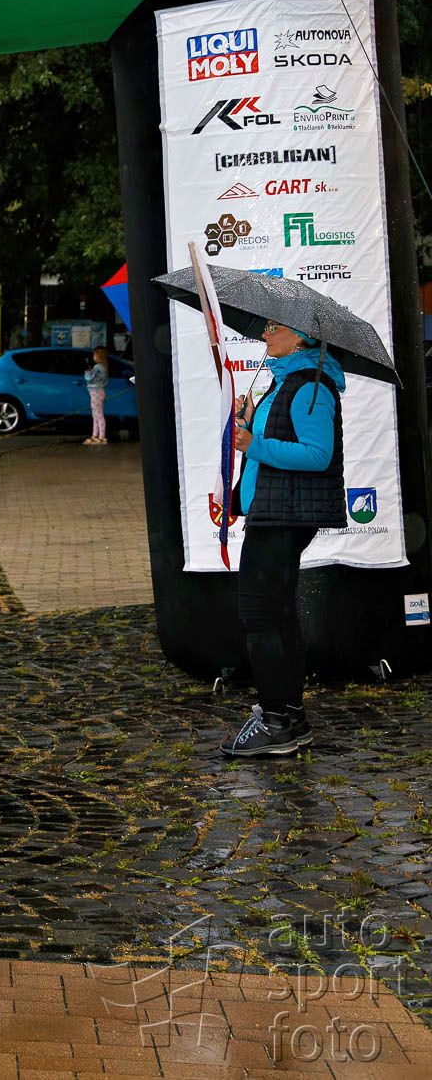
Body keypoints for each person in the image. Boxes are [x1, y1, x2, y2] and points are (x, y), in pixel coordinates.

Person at [221, 319, 346, 758]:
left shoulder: (311, 386)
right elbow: (276, 442)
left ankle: (276, 722)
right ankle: (289, 716)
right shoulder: (287, 382)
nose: (264, 335)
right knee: (276, 615)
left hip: (285, 516)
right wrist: (249, 423)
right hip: (275, 512)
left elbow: (317, 455)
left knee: (261, 617)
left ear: (301, 338)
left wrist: (252, 444)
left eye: (274, 328)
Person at [83, 345, 110, 446]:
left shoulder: (98, 367)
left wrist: (88, 373)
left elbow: (89, 378)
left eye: (94, 355)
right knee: (96, 414)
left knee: (98, 414)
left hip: (96, 392)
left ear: (98, 356)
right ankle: (95, 435)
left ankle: (101, 437)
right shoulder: (103, 367)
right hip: (98, 391)